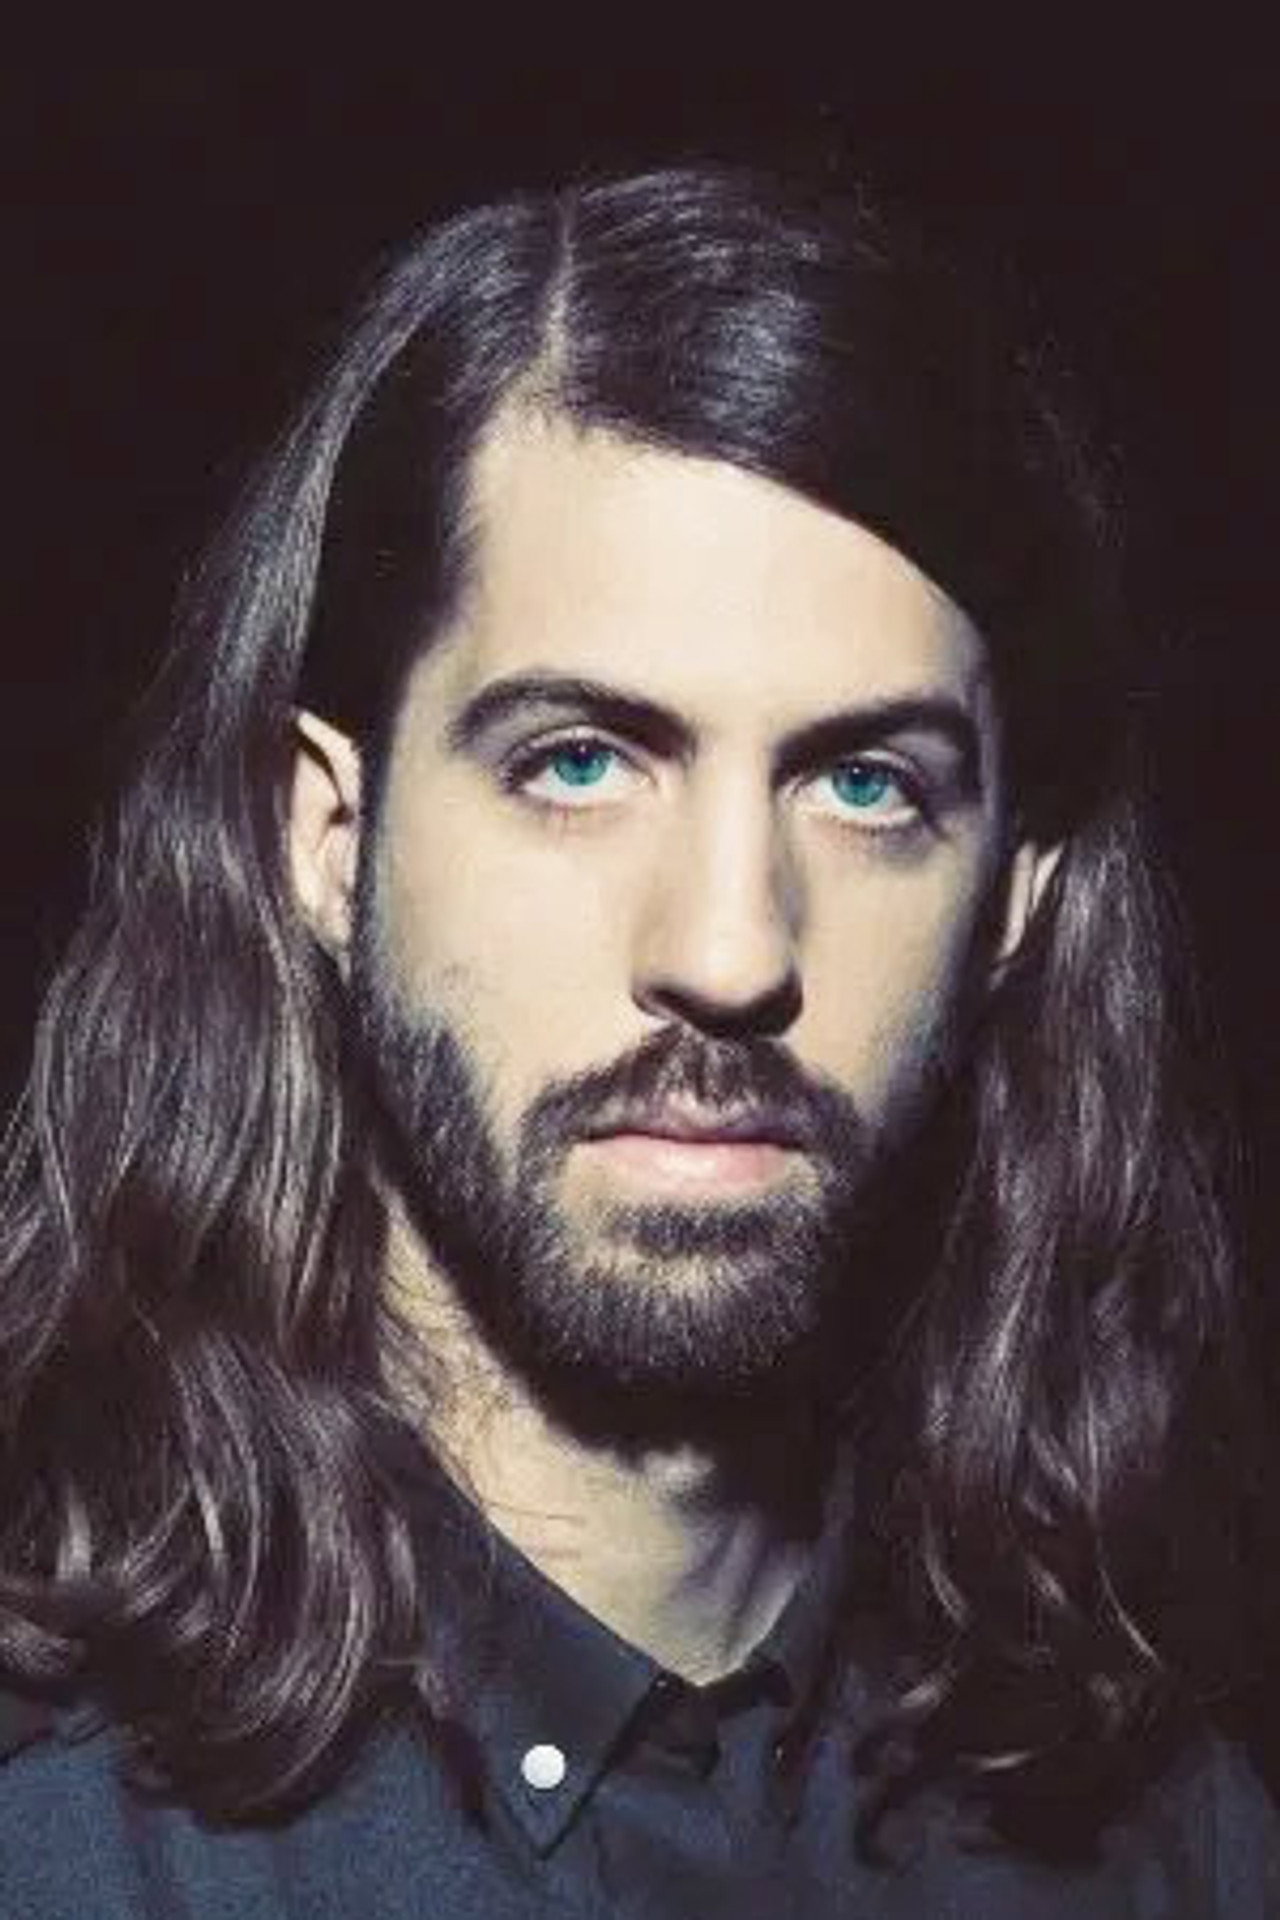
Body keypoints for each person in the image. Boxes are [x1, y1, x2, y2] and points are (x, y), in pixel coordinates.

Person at [0, 162, 1272, 1916]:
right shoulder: (51, 1840)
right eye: (580, 762)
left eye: (865, 785)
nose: (727, 952)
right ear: (331, 840)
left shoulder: (1173, 1846)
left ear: (1012, 905)